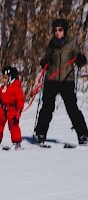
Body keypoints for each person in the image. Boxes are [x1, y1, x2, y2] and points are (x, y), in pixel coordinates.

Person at [33, 18, 88, 146]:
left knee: (72, 108)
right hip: (51, 79)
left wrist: (81, 60)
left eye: (60, 30)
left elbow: (79, 58)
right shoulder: (51, 44)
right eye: (55, 30)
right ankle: (40, 133)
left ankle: (83, 134)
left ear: (65, 31)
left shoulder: (71, 43)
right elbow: (46, 58)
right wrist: (44, 62)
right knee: (47, 107)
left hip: (66, 79)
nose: (57, 32)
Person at [0, 66, 25, 149]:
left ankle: (16, 143)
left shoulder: (16, 88)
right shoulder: (2, 88)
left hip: (12, 110)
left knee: (13, 126)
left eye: (5, 78)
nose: (3, 80)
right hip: (2, 109)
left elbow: (20, 101)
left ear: (11, 78)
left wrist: (19, 111)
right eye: (3, 77)